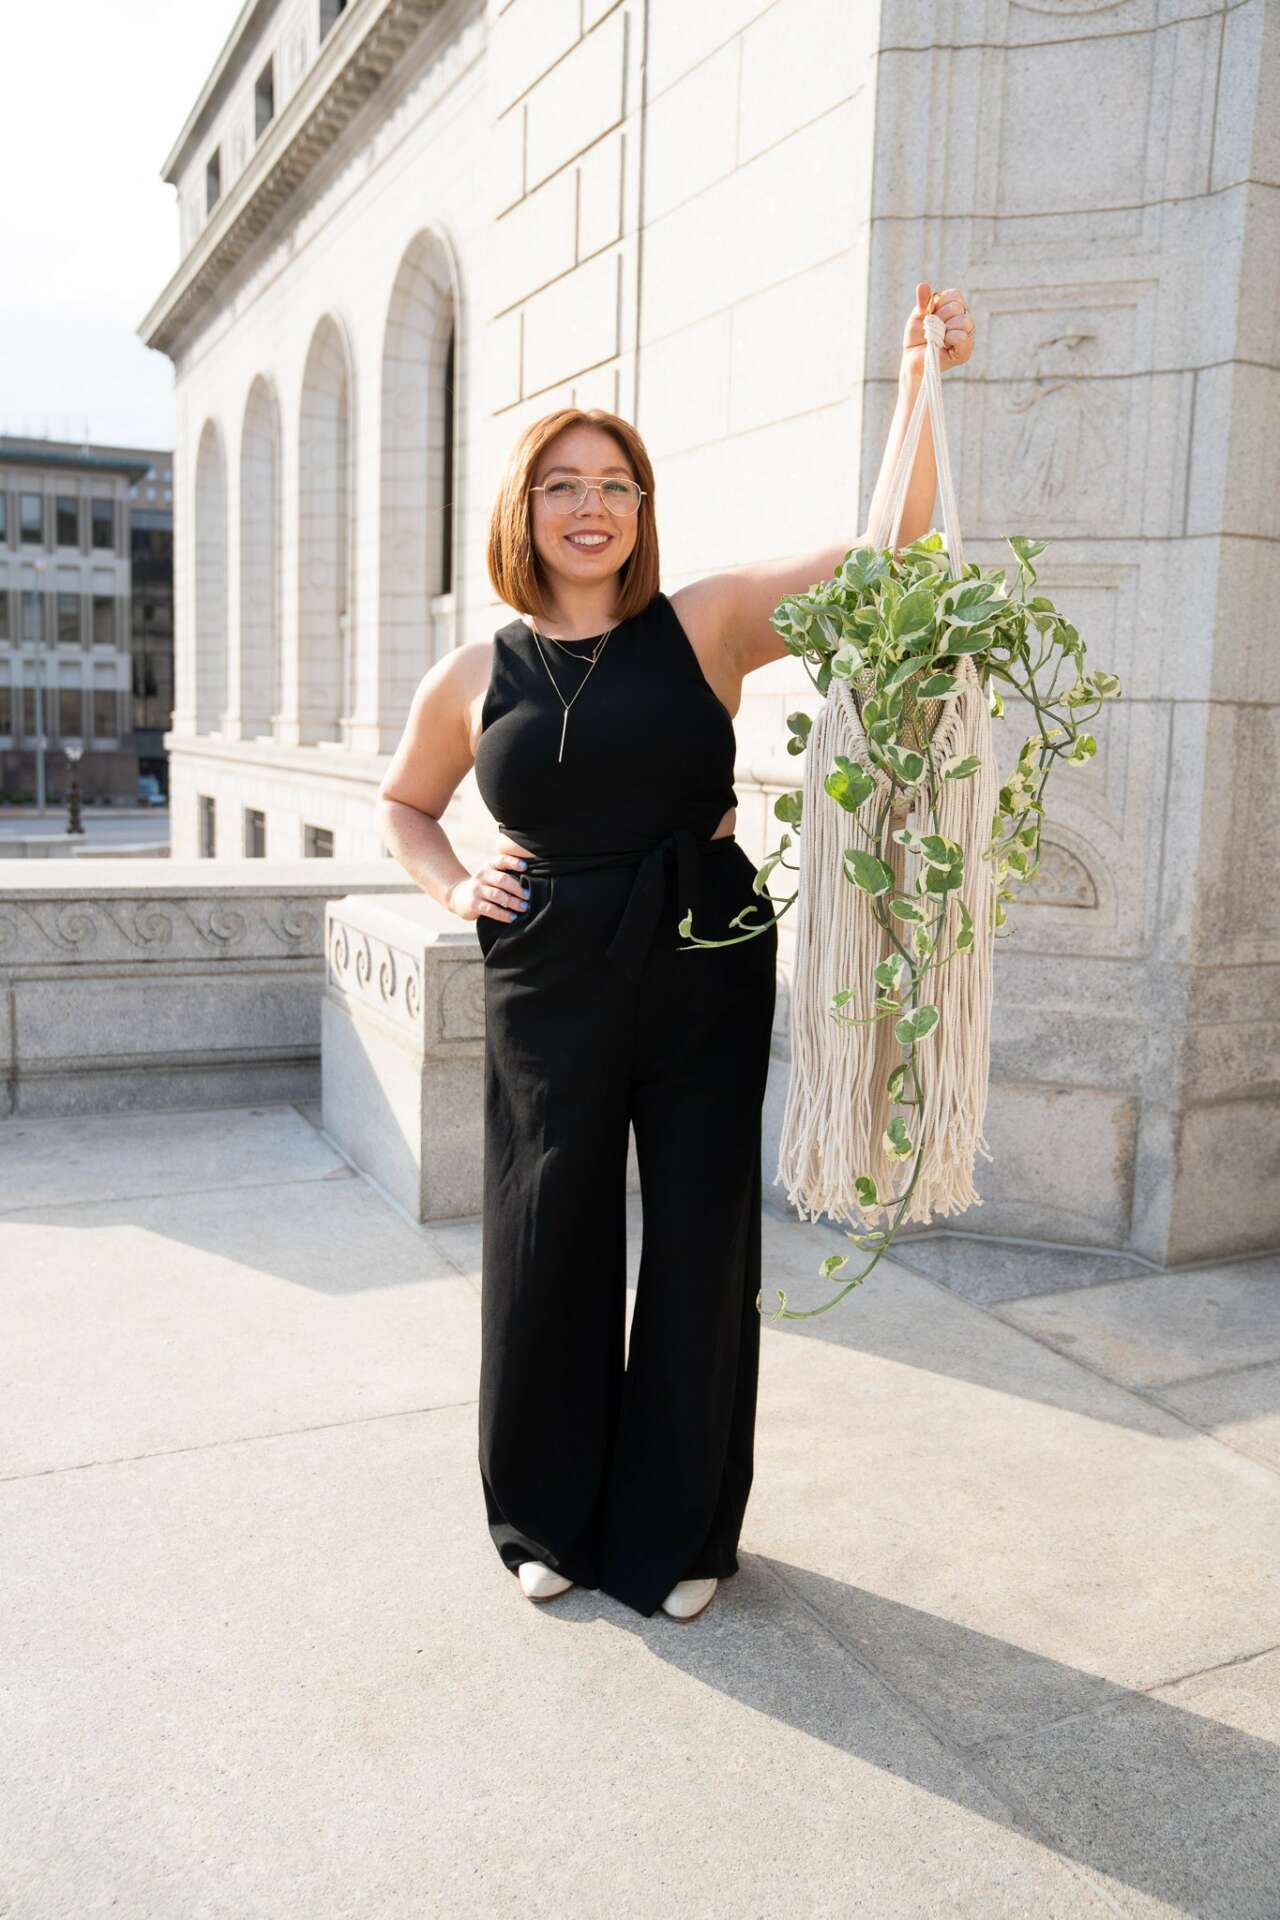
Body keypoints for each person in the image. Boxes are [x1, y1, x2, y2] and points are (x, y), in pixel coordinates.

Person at [376, 281, 976, 1621]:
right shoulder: (473, 675)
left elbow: (888, 548)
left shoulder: (703, 623)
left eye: (617, 485)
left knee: (702, 1237)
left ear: (643, 511)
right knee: (548, 1234)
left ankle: (682, 1536)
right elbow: (404, 804)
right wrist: (454, 882)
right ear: (524, 511)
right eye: (563, 486)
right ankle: (543, 1517)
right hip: (548, 970)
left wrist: (919, 383)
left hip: (704, 949)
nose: (591, 506)